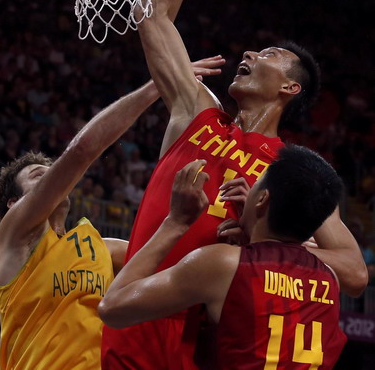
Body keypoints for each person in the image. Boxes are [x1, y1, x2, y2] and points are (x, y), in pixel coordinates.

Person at [101, 0, 367, 369]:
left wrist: (263, 244)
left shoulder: (288, 173)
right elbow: (151, 12)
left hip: (206, 332)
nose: (247, 53)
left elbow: (353, 271)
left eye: (267, 55)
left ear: (291, 89)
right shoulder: (195, 111)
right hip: (139, 313)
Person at [0, 59, 222, 370]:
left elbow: (178, 268)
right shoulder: (14, 239)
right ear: (13, 204)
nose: (49, 177)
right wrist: (157, 85)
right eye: (37, 176)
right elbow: (82, 150)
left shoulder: (100, 247)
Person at [99, 145, 348, 370]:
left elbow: (112, 308)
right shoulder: (330, 279)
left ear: (262, 199)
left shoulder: (224, 264)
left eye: (256, 186)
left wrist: (175, 222)